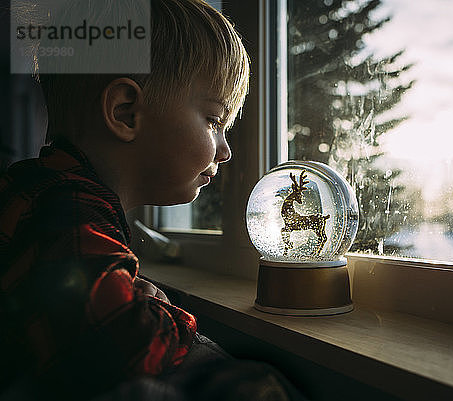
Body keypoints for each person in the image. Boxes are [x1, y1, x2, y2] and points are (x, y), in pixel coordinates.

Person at [0, 1, 304, 400]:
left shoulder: (45, 191)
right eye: (214, 121)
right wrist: (165, 314)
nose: (226, 150)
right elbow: (121, 352)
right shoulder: (67, 208)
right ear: (126, 112)